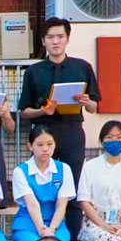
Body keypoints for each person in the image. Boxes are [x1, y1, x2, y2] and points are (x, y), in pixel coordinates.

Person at [17, 16, 99, 182]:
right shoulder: (33, 71)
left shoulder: (82, 67)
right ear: (43, 41)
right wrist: (42, 111)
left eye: (60, 37)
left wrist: (87, 101)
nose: (55, 41)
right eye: (50, 37)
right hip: (44, 130)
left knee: (74, 178)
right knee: (43, 178)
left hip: (72, 129)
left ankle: (72, 201)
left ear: (67, 39)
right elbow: (23, 111)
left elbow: (93, 107)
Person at [8, 128, 75, 241]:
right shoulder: (20, 171)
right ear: (30, 146)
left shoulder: (64, 169)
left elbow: (61, 205)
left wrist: (52, 229)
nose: (45, 149)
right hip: (28, 223)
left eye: (49, 144)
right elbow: (32, 204)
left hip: (56, 223)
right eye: (40, 145)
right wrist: (42, 231)